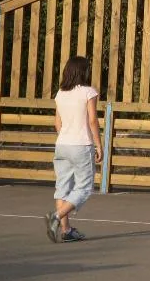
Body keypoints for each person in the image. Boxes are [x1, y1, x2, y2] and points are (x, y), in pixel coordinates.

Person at [44, 56, 103, 243]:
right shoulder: (88, 92)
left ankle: (66, 230)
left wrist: (66, 137)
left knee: (63, 187)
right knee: (84, 188)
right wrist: (99, 144)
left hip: (62, 144)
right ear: (83, 72)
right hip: (81, 145)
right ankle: (56, 216)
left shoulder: (60, 93)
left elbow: (57, 122)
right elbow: (93, 120)